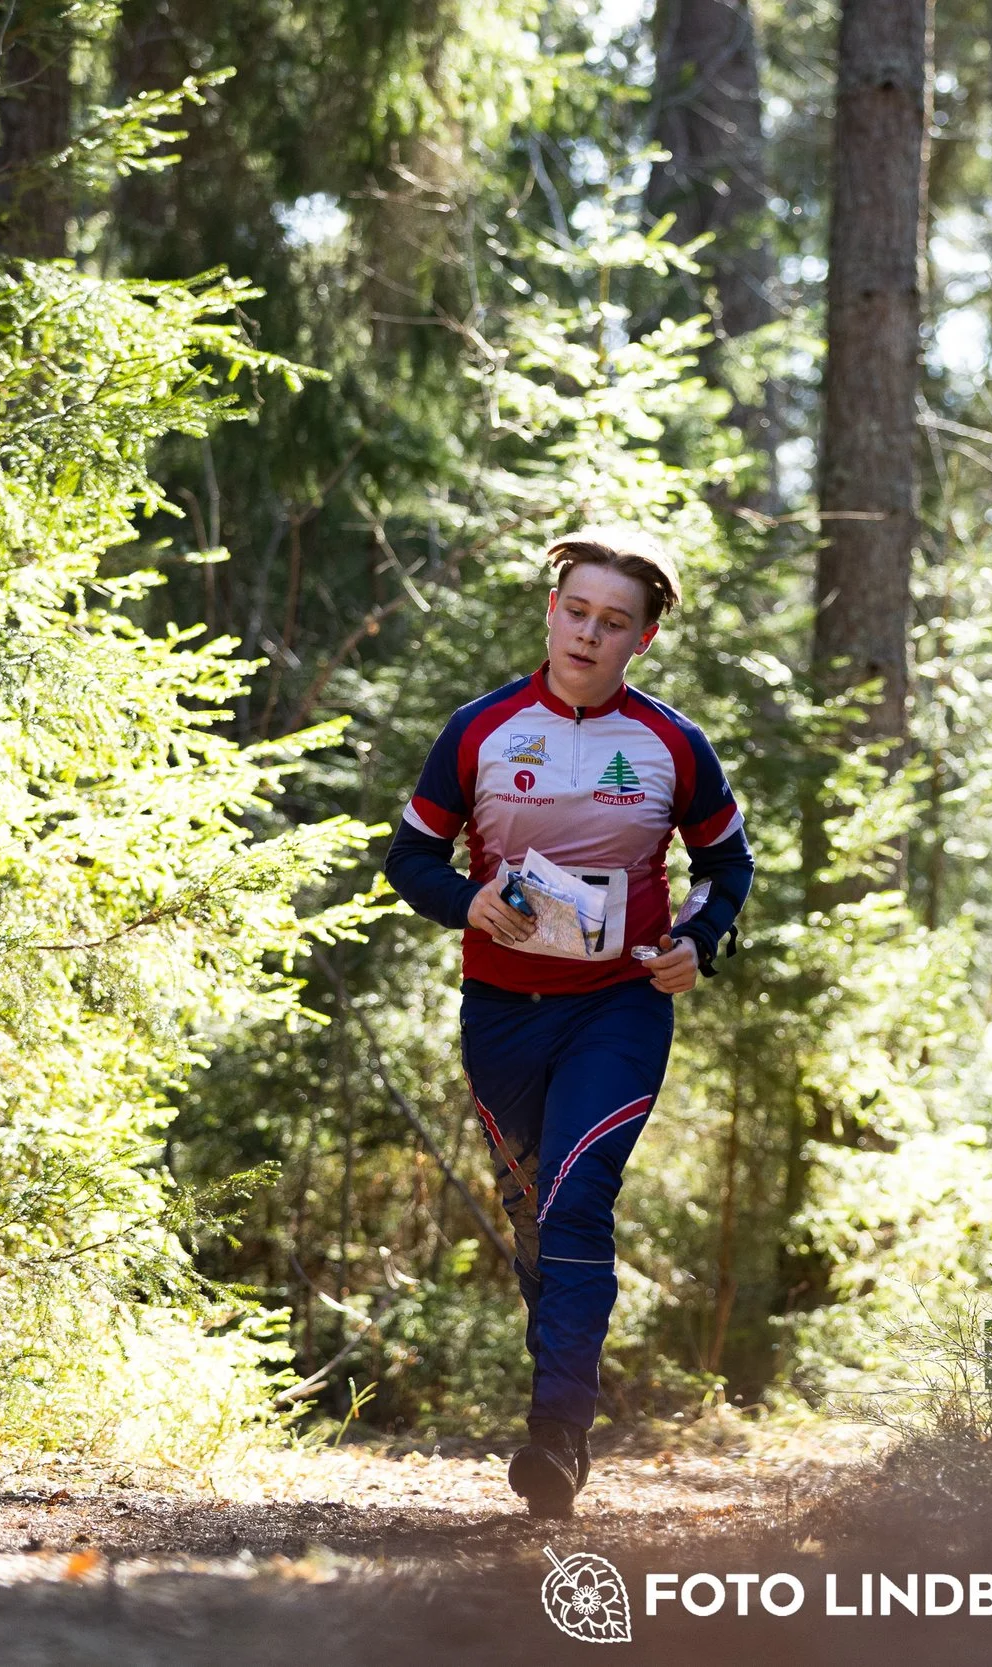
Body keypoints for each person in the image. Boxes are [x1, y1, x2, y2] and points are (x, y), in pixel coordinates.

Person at [381, 526, 752, 1520]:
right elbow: (409, 859)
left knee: (579, 1198)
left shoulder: (673, 744)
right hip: (503, 1012)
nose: (589, 633)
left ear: (644, 638)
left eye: (613, 621)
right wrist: (468, 902)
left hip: (618, 1007)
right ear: (551, 612)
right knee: (535, 1218)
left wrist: (697, 940)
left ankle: (556, 1436)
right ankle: (561, 1408)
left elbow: (728, 864)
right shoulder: (481, 730)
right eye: (576, 611)